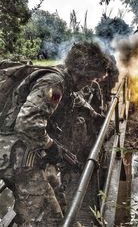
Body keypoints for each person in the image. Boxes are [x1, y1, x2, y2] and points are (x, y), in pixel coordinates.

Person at [8, 41, 108, 226]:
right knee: (48, 219)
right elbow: (27, 123)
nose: (91, 82)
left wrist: (93, 114)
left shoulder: (65, 80)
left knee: (60, 201)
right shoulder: (54, 82)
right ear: (81, 72)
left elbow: (73, 99)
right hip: (18, 156)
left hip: (31, 151)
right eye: (91, 77)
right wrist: (52, 146)